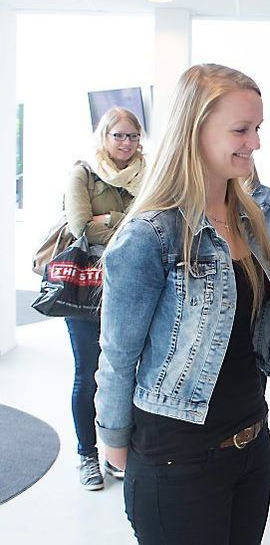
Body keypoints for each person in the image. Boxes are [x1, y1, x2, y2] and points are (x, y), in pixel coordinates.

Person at [95, 64, 270, 544]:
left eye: (258, 128)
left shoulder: (251, 218)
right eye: (241, 130)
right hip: (176, 458)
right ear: (195, 131)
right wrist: (114, 440)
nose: (256, 143)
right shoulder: (150, 236)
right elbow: (118, 357)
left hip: (250, 442)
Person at [63, 106, 146, 490]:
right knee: (88, 373)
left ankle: (119, 452)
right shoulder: (83, 172)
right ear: (105, 136)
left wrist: (109, 221)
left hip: (134, 282)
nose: (126, 143)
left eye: (132, 135)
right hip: (87, 286)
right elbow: (81, 227)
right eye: (119, 135)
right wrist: (126, 220)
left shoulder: (150, 172)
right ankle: (86, 455)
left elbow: (156, 221)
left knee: (130, 370)